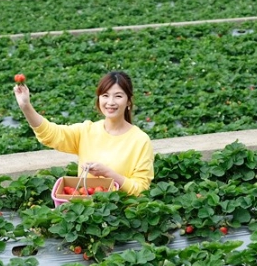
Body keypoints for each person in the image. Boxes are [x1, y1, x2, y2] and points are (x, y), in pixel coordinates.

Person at [14, 71, 154, 195]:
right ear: (99, 99)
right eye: (105, 95)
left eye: (118, 96)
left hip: (121, 211)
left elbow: (141, 189)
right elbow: (50, 134)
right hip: (86, 210)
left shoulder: (140, 140)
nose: (110, 102)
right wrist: (26, 106)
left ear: (128, 101)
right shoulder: (86, 131)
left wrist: (108, 173)